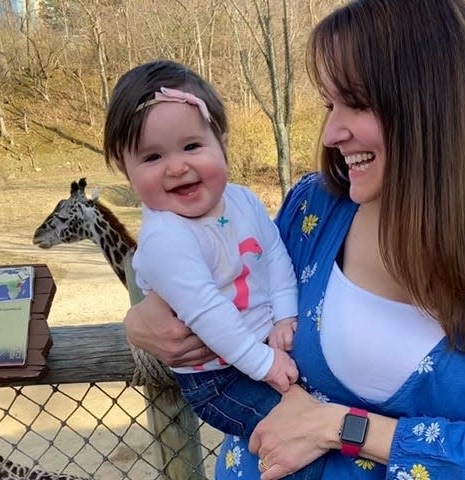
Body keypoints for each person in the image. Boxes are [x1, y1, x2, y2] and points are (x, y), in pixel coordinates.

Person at [123, 1, 465, 479]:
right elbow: (221, 281)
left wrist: (339, 427)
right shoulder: (315, 209)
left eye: (357, 103)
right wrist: (141, 322)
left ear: (433, 106)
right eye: (330, 105)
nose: (331, 133)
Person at [103, 59, 325, 480]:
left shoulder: (242, 200)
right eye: (151, 156)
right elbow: (206, 311)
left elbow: (274, 254)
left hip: (265, 349)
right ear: (124, 168)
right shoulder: (166, 239)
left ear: (221, 142)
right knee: (296, 442)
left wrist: (285, 314)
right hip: (220, 378)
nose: (176, 166)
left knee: (318, 426)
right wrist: (263, 362)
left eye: (191, 147)